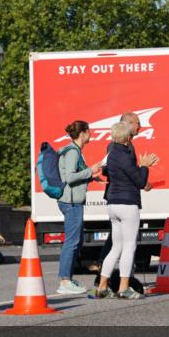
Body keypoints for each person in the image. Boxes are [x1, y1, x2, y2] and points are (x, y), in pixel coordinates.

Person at [97, 121, 158, 299]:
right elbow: (139, 181)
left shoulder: (111, 153)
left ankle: (102, 286)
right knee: (129, 247)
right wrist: (145, 166)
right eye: (131, 135)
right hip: (127, 203)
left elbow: (108, 172)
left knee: (116, 247)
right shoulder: (124, 155)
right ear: (126, 138)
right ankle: (124, 288)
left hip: (113, 203)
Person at [56, 120, 102, 295]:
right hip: (71, 202)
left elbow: (75, 176)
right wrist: (91, 170)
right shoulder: (73, 151)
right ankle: (65, 281)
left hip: (73, 200)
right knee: (72, 241)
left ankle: (67, 278)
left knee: (77, 240)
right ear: (83, 132)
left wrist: (92, 177)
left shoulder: (74, 151)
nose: (91, 134)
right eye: (89, 131)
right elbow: (69, 177)